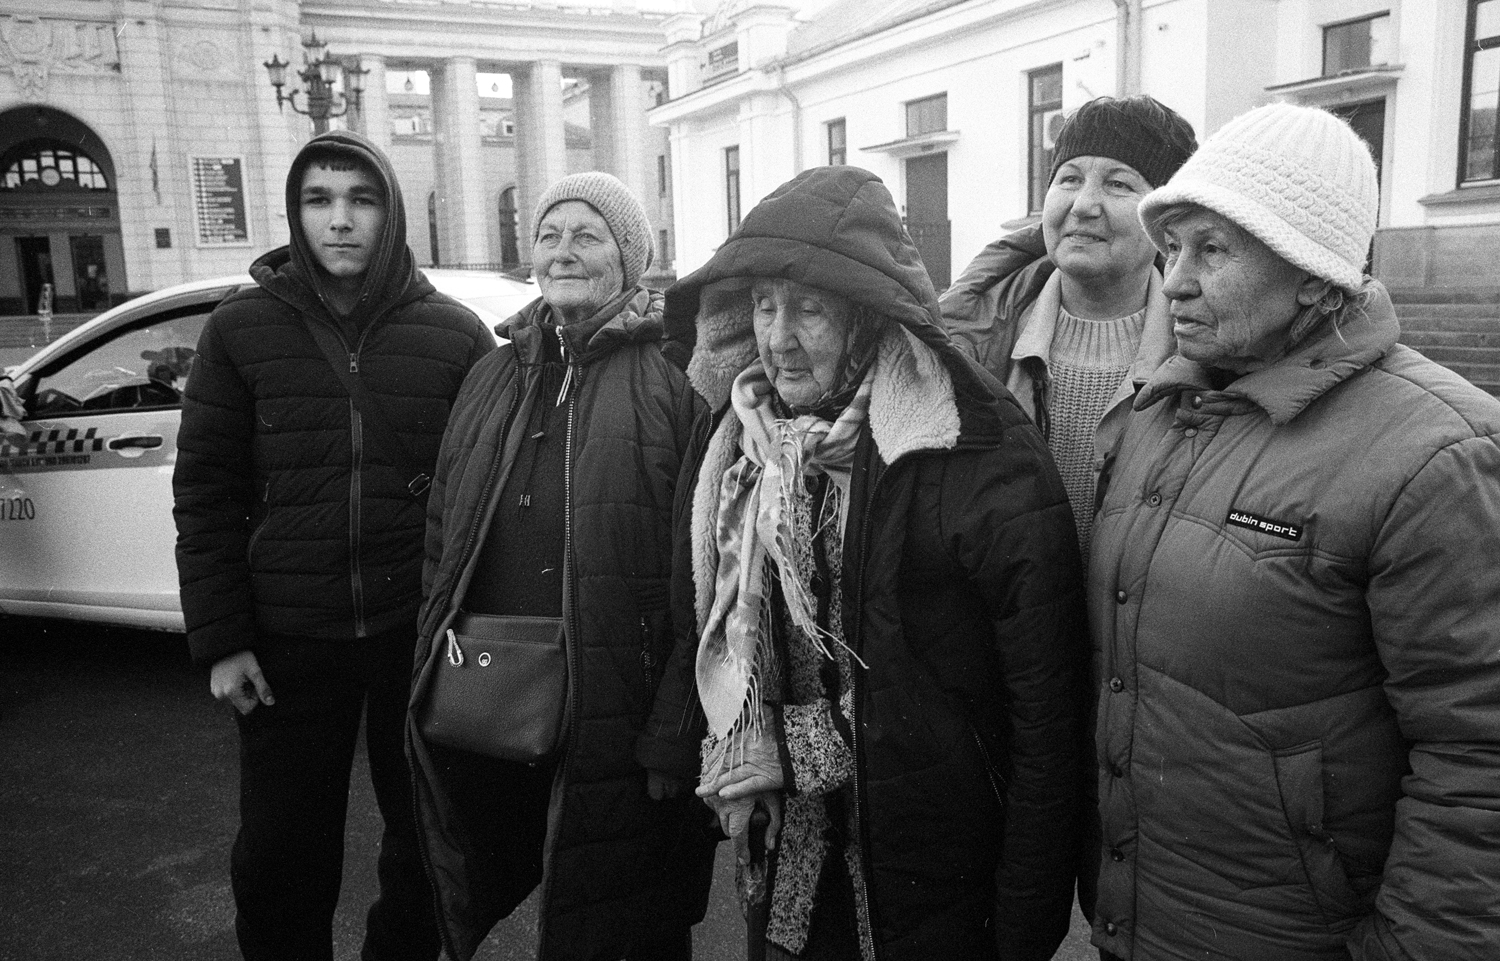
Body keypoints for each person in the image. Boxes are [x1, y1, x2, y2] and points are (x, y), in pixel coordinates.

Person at [1090, 102, 1500, 960]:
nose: (1174, 281)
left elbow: (1479, 755)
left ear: (1314, 276)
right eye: (1172, 247)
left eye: (1213, 250)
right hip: (1143, 920)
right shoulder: (1158, 413)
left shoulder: (1437, 452)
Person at [657, 165, 1089, 961]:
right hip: (789, 868)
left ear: (866, 315)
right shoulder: (737, 439)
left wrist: (1025, 925)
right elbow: (703, 627)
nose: (777, 338)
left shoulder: (967, 443)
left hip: (925, 885)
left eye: (809, 309)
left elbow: (1038, 715)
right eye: (763, 304)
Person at [172, 130, 495, 961]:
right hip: (288, 639)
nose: (340, 220)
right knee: (281, 853)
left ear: (391, 211)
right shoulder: (241, 328)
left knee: (425, 844)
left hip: (414, 638)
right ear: (296, 213)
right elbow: (206, 493)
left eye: (361, 199)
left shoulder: (455, 334)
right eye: (319, 200)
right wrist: (223, 639)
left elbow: (485, 494)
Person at [407, 172, 718, 961]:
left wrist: (676, 726)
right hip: (493, 697)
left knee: (627, 919)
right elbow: (444, 533)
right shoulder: (493, 373)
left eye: (588, 235)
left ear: (631, 257)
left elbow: (709, 576)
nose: (563, 251)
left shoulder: (676, 379)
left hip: (621, 713)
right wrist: (429, 659)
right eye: (550, 235)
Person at [941, 95, 1195, 551]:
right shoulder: (969, 340)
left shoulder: (1206, 353)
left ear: (1166, 218)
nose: (1083, 205)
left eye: (1118, 184)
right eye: (1069, 179)